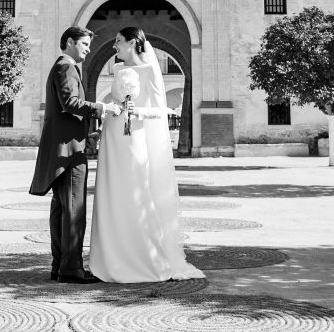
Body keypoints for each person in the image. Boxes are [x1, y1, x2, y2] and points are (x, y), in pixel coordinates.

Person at [89, 26, 205, 283]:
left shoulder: (152, 70)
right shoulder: (117, 69)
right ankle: (109, 260)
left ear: (132, 43)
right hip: (112, 137)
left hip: (135, 138)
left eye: (118, 41)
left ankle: (145, 258)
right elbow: (114, 104)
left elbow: (160, 111)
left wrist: (136, 112)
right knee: (111, 194)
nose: (114, 46)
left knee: (136, 192)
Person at [29, 27, 121, 284]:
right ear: (69, 42)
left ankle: (60, 266)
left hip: (63, 149)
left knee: (61, 211)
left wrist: (88, 132)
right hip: (69, 152)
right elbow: (69, 103)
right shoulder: (66, 68)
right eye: (84, 44)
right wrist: (103, 108)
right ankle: (71, 269)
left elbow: (66, 111)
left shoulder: (63, 67)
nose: (88, 49)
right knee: (74, 212)